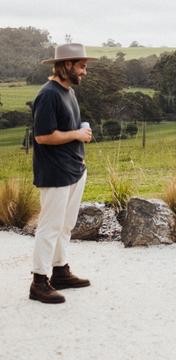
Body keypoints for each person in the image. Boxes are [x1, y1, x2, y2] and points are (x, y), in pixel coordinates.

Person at [29, 43, 96, 304]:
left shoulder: (67, 92)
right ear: (67, 65)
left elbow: (65, 128)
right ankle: (38, 282)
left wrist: (80, 131)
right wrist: (77, 134)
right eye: (81, 66)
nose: (84, 72)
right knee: (50, 227)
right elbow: (43, 136)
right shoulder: (48, 95)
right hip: (55, 173)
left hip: (74, 170)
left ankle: (60, 272)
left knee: (65, 226)